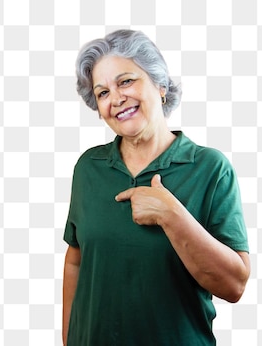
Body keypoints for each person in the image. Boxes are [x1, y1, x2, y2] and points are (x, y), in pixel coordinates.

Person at [62, 29, 250, 345]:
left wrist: (171, 215)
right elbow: (75, 260)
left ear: (160, 85)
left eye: (125, 81)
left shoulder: (209, 169)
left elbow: (234, 286)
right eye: (103, 92)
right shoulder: (88, 168)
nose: (116, 98)